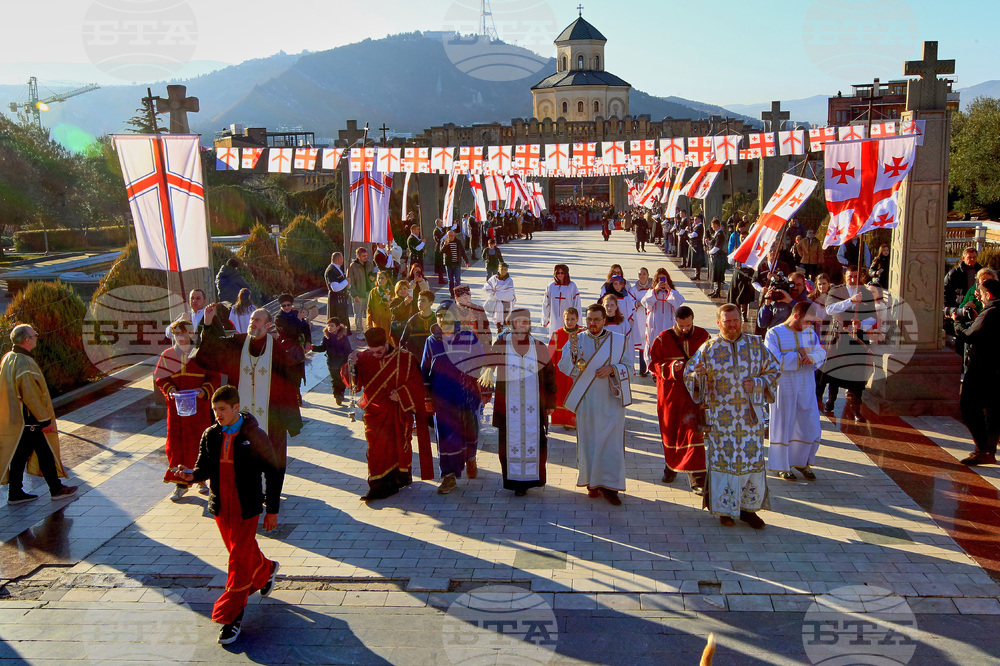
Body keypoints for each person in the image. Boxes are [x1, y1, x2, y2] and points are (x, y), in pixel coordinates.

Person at [174, 386, 282, 645]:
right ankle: (266, 569)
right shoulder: (211, 434)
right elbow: (203, 468)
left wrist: (273, 510)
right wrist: (191, 476)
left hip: (247, 507)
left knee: (238, 563)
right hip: (222, 507)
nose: (217, 415)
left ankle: (230, 618)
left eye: (222, 409)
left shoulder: (255, 435)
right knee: (241, 554)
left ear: (236, 407)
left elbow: (274, 472)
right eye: (214, 410)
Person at [686, 304, 780, 528]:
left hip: (750, 418)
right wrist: (697, 376)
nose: (732, 324)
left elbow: (774, 369)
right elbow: (690, 374)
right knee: (725, 464)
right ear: (719, 322)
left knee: (750, 463)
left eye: (736, 320)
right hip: (722, 420)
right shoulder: (708, 348)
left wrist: (758, 383)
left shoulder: (756, 345)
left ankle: (748, 510)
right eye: (727, 321)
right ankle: (725, 510)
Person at [195, 305, 303, 471]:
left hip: (270, 415)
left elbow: (287, 385)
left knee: (272, 458)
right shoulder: (238, 343)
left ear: (267, 325)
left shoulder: (277, 350)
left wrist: (290, 418)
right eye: (251, 319)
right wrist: (208, 324)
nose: (252, 322)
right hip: (240, 414)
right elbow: (213, 349)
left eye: (257, 320)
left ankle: (270, 493)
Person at [558, 304, 635, 506]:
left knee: (611, 444)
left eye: (597, 320)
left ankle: (610, 487)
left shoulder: (619, 341)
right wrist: (574, 360)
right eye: (590, 319)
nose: (593, 323)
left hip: (611, 401)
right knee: (590, 441)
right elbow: (563, 365)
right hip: (587, 400)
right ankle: (593, 483)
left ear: (604, 320)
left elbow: (630, 367)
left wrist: (612, 369)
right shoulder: (577, 339)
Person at [344, 327, 432, 499]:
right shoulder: (363, 357)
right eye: (372, 351)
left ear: (386, 343)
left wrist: (401, 394)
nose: (376, 355)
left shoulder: (405, 358)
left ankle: (399, 478)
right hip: (374, 414)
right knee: (376, 449)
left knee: (399, 446)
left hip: (397, 412)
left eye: (379, 351)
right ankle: (378, 486)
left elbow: (416, 383)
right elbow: (354, 382)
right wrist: (351, 366)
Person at [1, 325, 76, 505]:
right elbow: (31, 395)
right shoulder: (24, 362)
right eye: (35, 335)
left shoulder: (8, 358)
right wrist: (44, 420)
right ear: (27, 340)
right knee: (44, 452)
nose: (36, 338)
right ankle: (56, 489)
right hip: (29, 419)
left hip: (17, 420)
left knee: (21, 455)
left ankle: (16, 492)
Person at [489, 308, 557, 496]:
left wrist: (551, 402)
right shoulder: (503, 345)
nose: (521, 325)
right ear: (511, 324)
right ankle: (514, 482)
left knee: (535, 442)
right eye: (517, 322)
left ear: (529, 325)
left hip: (534, 407)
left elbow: (550, 375)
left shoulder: (539, 347)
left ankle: (532, 479)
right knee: (508, 445)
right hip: (508, 407)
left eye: (524, 322)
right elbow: (489, 360)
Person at [422, 302, 486, 494]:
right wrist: (427, 398)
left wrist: (485, 390)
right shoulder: (431, 341)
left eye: (446, 316)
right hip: (442, 399)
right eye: (439, 316)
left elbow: (482, 364)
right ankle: (449, 476)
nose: (442, 319)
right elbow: (425, 371)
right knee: (446, 438)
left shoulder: (468, 337)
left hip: (466, 398)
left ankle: (470, 458)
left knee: (469, 433)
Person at [155, 320, 219, 500]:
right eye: (177, 334)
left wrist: (203, 391)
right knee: (176, 445)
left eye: (184, 333)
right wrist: (171, 390)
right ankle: (180, 483)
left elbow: (214, 377)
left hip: (199, 410)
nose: (180, 338)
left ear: (191, 334)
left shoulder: (202, 354)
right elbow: (160, 378)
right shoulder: (167, 355)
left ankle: (201, 479)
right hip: (176, 412)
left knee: (200, 443)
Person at [647, 306, 709, 493]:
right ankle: (671, 467)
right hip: (671, 396)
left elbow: (713, 359)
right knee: (672, 433)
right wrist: (673, 366)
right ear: (675, 321)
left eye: (688, 325)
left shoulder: (703, 336)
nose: (685, 329)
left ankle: (698, 479)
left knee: (693, 434)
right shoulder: (662, 339)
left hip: (694, 396)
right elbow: (654, 364)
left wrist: (705, 370)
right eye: (681, 326)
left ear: (693, 319)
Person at [765, 302, 826, 481]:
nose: (809, 325)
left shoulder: (809, 333)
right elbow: (773, 360)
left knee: (810, 424)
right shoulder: (774, 333)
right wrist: (800, 357)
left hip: (806, 384)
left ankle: (801, 461)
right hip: (784, 386)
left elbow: (820, 353)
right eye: (807, 321)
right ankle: (781, 466)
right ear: (797, 315)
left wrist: (811, 357)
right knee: (784, 425)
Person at [952, 278, 1000, 466]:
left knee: (969, 406)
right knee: (994, 410)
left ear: (988, 294)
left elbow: (970, 336)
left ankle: (983, 448)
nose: (978, 298)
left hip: (982, 369)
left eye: (980, 295)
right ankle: (988, 450)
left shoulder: (990, 312)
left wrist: (957, 324)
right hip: (996, 369)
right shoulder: (990, 312)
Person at [824, 266, 877, 423]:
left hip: (857, 340)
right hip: (839, 337)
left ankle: (855, 407)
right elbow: (829, 309)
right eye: (850, 276)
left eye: (855, 276)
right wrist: (850, 302)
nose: (853, 279)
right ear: (844, 276)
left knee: (857, 375)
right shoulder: (836, 291)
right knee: (835, 372)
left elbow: (873, 317)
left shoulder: (866, 293)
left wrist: (861, 324)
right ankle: (831, 400)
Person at [640, 268, 685, 361]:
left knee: (668, 343)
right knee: (655, 344)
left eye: (664, 279)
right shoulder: (652, 292)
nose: (662, 282)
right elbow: (645, 302)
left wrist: (669, 289)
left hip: (668, 321)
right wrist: (655, 290)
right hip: (655, 323)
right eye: (659, 279)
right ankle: (655, 369)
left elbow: (679, 300)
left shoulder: (672, 292)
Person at [547, 307, 580, 430]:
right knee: (562, 397)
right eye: (567, 319)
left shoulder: (582, 334)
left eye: (572, 319)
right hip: (560, 374)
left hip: (577, 374)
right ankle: (564, 421)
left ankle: (575, 421)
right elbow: (549, 356)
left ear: (577, 319)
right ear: (563, 319)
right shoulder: (557, 334)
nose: (570, 322)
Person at [312, 317, 353, 407]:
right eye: (328, 325)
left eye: (332, 326)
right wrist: (313, 348)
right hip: (331, 362)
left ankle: (341, 392)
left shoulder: (343, 338)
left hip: (341, 362)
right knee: (334, 379)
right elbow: (322, 348)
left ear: (338, 327)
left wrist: (348, 361)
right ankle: (337, 394)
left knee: (341, 378)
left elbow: (348, 350)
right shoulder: (326, 338)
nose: (329, 327)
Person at [542, 264, 582, 336]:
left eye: (562, 273)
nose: (560, 275)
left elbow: (577, 303)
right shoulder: (551, 286)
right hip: (554, 316)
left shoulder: (572, 286)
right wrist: (545, 319)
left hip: (568, 318)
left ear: (566, 274)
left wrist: (578, 321)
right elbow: (545, 303)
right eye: (558, 273)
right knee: (555, 336)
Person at [400, 290, 437, 359]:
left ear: (431, 303)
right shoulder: (412, 320)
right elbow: (403, 341)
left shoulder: (437, 320)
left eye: (423, 301)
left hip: (432, 357)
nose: (420, 303)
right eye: (419, 300)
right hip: (416, 358)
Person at [454, 284, 492, 349]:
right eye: (465, 298)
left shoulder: (478, 310)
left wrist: (487, 347)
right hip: (458, 347)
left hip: (476, 346)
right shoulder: (451, 312)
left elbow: (486, 330)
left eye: (469, 296)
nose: (468, 299)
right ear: (457, 299)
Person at [944, 246, 983, 310]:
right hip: (959, 305)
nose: (972, 259)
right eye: (969, 257)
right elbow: (946, 292)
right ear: (963, 258)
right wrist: (949, 309)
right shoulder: (955, 273)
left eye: (974, 257)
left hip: (978, 305)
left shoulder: (982, 272)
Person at [483, 262, 517, 334]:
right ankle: (499, 332)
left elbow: (509, 293)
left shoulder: (509, 280)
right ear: (498, 269)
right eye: (502, 269)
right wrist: (497, 293)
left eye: (505, 269)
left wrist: (495, 293)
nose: (503, 271)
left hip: (506, 303)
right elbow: (487, 286)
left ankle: (505, 334)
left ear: (507, 270)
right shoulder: (493, 278)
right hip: (496, 303)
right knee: (498, 318)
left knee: (506, 319)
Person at [348, 246, 374, 341]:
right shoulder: (353, 266)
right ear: (358, 256)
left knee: (370, 312)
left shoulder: (369, 264)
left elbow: (372, 276)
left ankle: (369, 331)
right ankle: (359, 332)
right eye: (363, 256)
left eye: (366, 255)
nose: (365, 257)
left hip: (369, 292)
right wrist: (354, 295)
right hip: (359, 293)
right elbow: (350, 282)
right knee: (358, 314)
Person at [325, 252, 352, 335]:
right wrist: (346, 282)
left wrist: (348, 284)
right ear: (339, 259)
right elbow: (335, 288)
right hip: (335, 302)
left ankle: (343, 337)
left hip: (341, 302)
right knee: (336, 324)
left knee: (343, 323)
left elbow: (343, 283)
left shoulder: (337, 269)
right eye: (342, 258)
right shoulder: (331, 270)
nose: (343, 260)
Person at [440, 229, 471, 297]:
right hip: (449, 264)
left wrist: (466, 261)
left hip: (457, 263)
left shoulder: (458, 242)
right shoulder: (444, 242)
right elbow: (441, 251)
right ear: (447, 236)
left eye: (453, 235)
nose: (452, 237)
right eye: (450, 236)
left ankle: (457, 293)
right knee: (450, 280)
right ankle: (452, 294)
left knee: (457, 279)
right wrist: (445, 245)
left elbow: (462, 252)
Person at [366, 270, 393, 335]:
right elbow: (369, 309)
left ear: (387, 279)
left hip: (390, 321)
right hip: (378, 321)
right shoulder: (373, 292)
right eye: (379, 278)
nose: (380, 280)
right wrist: (369, 323)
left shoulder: (393, 289)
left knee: (390, 342)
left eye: (382, 278)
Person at [706, 217, 728, 299]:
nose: (712, 227)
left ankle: (717, 291)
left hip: (719, 257)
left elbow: (717, 247)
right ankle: (715, 290)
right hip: (715, 257)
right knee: (714, 274)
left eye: (712, 225)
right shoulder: (716, 233)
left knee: (718, 275)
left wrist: (710, 252)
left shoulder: (720, 234)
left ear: (716, 225)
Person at [687, 215, 707, 281]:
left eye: (696, 219)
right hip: (694, 245)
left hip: (697, 245)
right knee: (695, 261)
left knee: (697, 261)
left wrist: (688, 234)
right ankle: (696, 274)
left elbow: (694, 235)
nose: (694, 220)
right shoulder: (695, 226)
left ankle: (697, 275)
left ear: (699, 220)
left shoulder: (699, 227)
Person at [432, 218, 447, 285]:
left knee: (442, 264)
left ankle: (442, 278)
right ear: (437, 223)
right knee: (439, 264)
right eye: (441, 222)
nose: (442, 223)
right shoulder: (436, 230)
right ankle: (440, 279)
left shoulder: (441, 229)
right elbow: (438, 239)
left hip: (442, 248)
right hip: (438, 249)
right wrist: (445, 235)